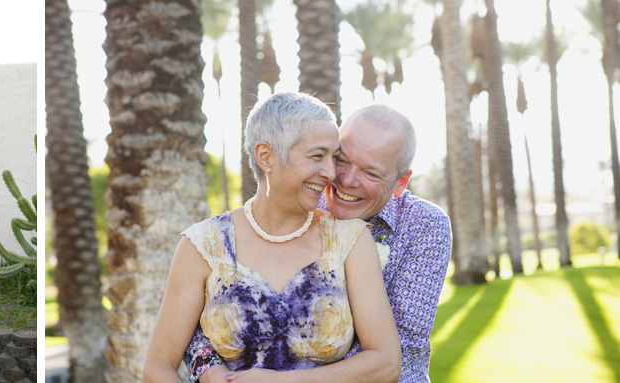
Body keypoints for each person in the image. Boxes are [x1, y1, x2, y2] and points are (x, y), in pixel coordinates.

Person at [143, 92, 402, 383]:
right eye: (318, 156)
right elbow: (158, 367)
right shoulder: (204, 245)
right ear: (266, 156)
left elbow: (386, 363)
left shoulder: (349, 241)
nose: (331, 173)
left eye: (334, 157)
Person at [185, 105, 453, 383]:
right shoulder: (304, 199)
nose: (346, 180)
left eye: (371, 174)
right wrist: (212, 371)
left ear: (401, 183)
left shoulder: (425, 225)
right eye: (341, 159)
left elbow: (399, 353)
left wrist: (283, 379)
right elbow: (211, 309)